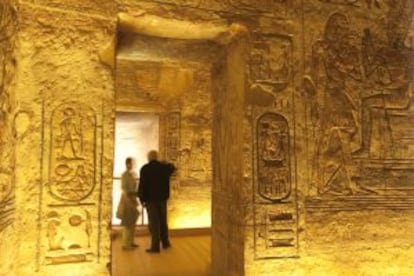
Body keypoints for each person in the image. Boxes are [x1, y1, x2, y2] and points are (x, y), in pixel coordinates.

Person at [138, 150, 176, 253]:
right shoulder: (163, 168)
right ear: (157, 157)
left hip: (151, 200)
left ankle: (155, 247)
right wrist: (165, 163)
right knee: (163, 221)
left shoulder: (145, 169)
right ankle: (165, 243)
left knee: (154, 223)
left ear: (149, 158)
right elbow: (173, 168)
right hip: (162, 199)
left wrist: (142, 199)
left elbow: (142, 186)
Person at [116, 157, 139, 250]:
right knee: (127, 223)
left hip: (132, 198)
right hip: (127, 199)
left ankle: (131, 242)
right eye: (130, 164)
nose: (131, 165)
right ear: (127, 164)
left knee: (132, 222)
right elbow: (124, 188)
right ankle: (125, 244)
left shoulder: (131, 174)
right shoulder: (125, 175)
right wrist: (129, 199)